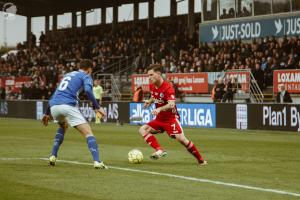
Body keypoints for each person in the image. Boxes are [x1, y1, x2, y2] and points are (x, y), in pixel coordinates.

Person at [41, 59, 108, 169]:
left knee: (63, 125)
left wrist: (47, 113)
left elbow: (55, 94)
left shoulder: (68, 74)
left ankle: (53, 155)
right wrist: (97, 107)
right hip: (68, 105)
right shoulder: (85, 75)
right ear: (89, 69)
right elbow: (87, 90)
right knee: (88, 133)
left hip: (54, 106)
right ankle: (97, 161)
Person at [139, 64, 207, 165]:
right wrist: (149, 101)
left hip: (170, 119)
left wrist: (159, 109)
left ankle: (201, 160)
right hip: (159, 119)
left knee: (182, 139)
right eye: (148, 75)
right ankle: (160, 150)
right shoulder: (152, 86)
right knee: (143, 129)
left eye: (151, 75)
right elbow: (155, 95)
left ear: (158, 74)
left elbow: (171, 104)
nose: (149, 78)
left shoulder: (168, 87)